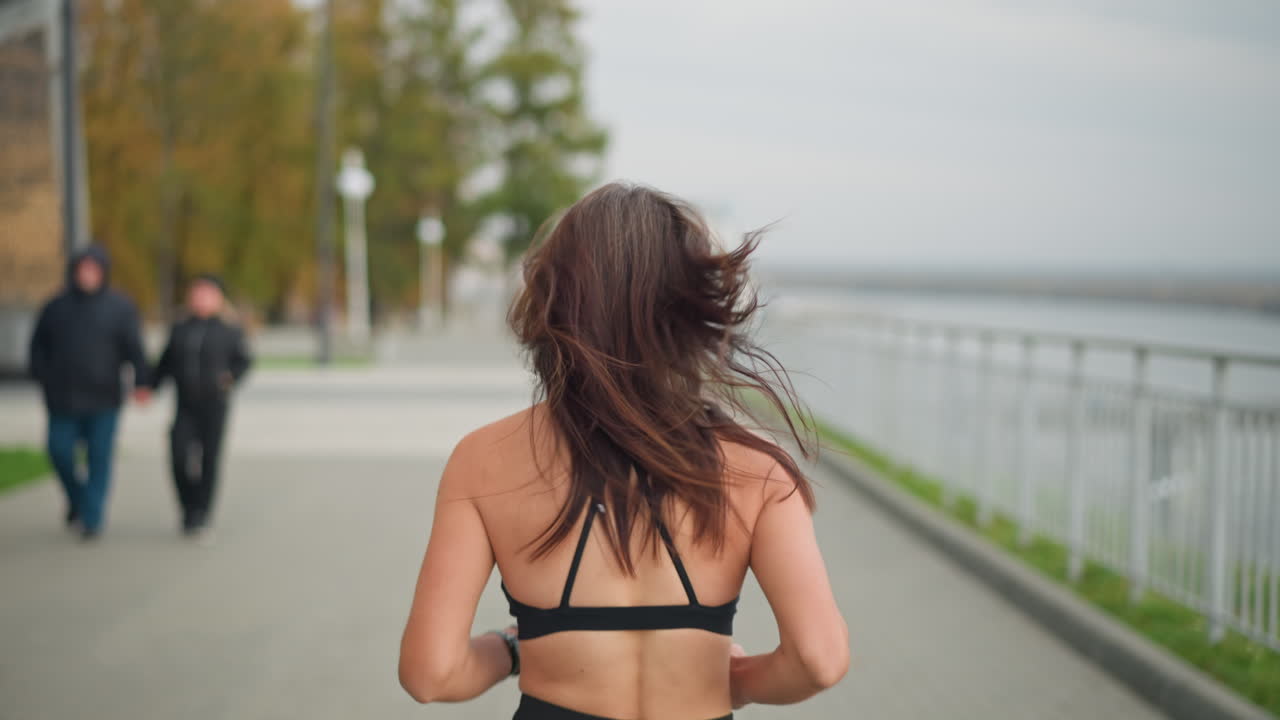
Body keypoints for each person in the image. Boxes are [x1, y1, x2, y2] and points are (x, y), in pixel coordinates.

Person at [399, 183, 849, 719]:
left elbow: (431, 673)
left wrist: (513, 649)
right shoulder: (757, 470)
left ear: (556, 303)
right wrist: (740, 683)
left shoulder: (483, 459)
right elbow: (818, 659)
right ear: (685, 307)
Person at [28, 245, 150, 541]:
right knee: (59, 452)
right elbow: (37, 348)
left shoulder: (120, 308)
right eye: (83, 269)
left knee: (99, 457)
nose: (88, 275)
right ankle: (79, 499)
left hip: (103, 398)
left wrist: (143, 382)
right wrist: (44, 378)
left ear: (103, 273)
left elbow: (134, 349)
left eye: (94, 270)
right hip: (62, 398)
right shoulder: (55, 307)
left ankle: (92, 518)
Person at [149, 274, 253, 538]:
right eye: (197, 293)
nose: (201, 298)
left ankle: (201, 514)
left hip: (215, 405)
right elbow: (165, 362)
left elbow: (244, 361)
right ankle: (188, 506)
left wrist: (231, 378)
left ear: (218, 298)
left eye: (207, 293)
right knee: (179, 456)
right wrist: (149, 386)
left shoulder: (229, 330)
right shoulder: (180, 328)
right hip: (184, 405)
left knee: (209, 460)